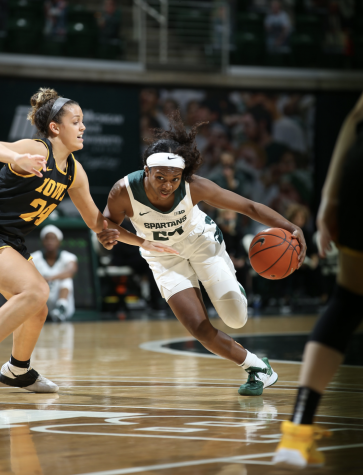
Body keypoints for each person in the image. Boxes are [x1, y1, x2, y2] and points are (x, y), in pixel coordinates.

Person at [97, 111, 306, 396]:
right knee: (198, 328)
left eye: (174, 178)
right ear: (146, 171)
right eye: (160, 177)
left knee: (235, 319)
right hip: (163, 257)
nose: (167, 185)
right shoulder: (123, 190)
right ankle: (257, 367)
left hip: (202, 245)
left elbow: (249, 207)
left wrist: (290, 226)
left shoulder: (194, 187)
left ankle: (233, 285)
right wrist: (117, 239)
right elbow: (108, 226)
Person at [0, 88, 174, 393]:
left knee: (36, 307)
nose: (83, 127)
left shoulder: (73, 173)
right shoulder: (37, 150)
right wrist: (16, 157)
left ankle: (18, 370)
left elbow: (98, 223)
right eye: (76, 121)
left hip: (11, 240)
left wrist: (143, 242)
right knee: (36, 290)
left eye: (83, 122)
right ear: (55, 128)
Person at [273, 93, 363, 467]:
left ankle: (297, 430)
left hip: (357, 172)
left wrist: (329, 196)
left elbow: (356, 116)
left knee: (348, 300)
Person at [32, 225, 77, 321]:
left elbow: (71, 271)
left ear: (59, 241)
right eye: (46, 238)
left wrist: (49, 278)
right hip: (42, 301)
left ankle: (61, 307)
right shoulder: (34, 257)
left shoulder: (68, 257)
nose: (49, 241)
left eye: (53, 238)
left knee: (66, 279)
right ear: (42, 241)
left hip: (60, 299)